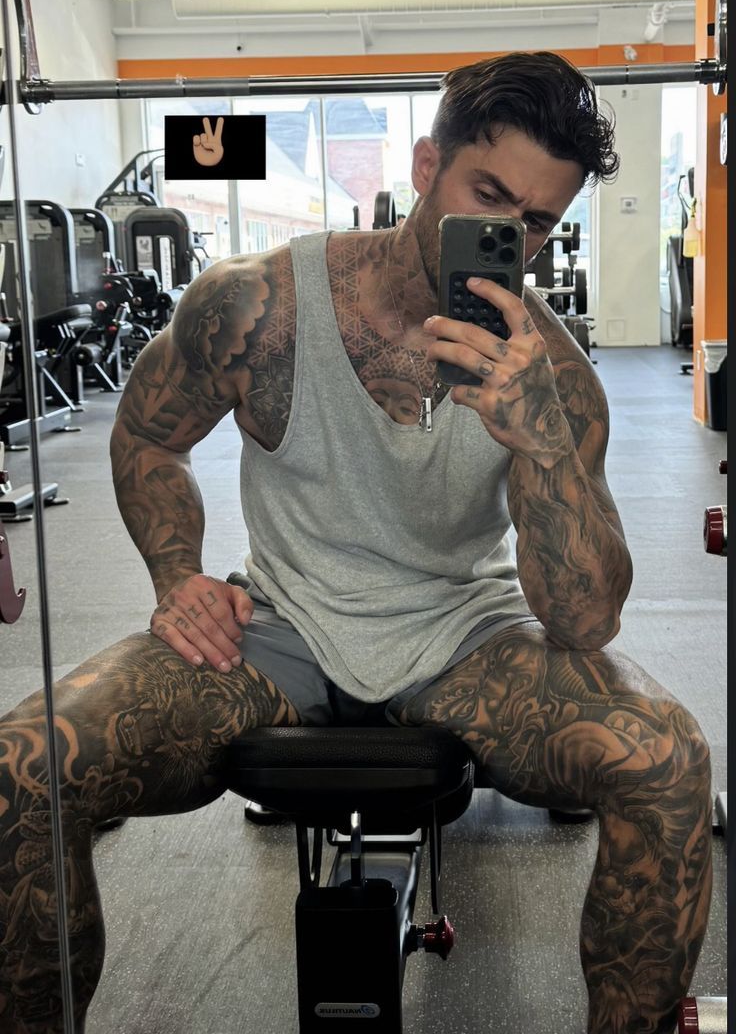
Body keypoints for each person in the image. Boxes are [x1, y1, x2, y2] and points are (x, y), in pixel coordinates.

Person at [0, 52, 712, 1034]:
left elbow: (585, 619)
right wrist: (176, 577)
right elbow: (149, 437)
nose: (508, 237)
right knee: (23, 767)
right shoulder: (255, 305)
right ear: (425, 167)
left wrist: (541, 441)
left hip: (466, 637)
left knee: (667, 762)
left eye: (538, 221)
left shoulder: (555, 377)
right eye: (486, 197)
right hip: (277, 627)